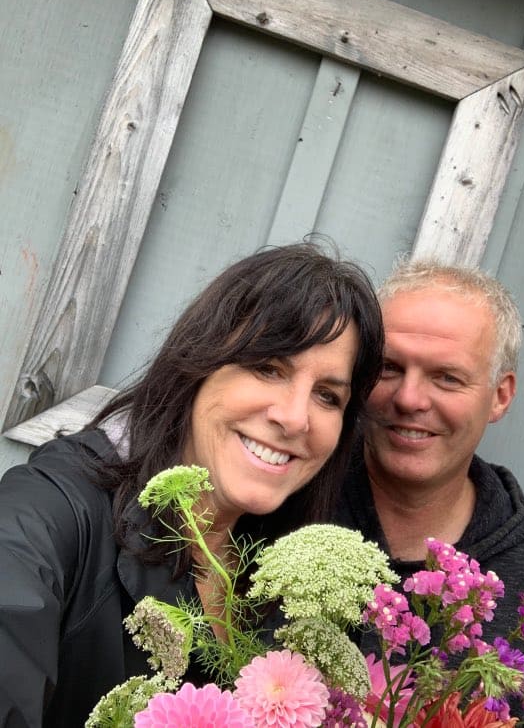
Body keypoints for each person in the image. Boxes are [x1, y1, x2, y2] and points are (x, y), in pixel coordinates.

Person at [0, 242, 384, 728]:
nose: (294, 418)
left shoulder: (296, 587)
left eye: (328, 395)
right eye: (269, 368)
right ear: (198, 363)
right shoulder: (48, 514)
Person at [335, 257, 524, 713]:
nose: (409, 398)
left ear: (500, 395)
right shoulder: (293, 496)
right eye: (388, 368)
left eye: (447, 377)